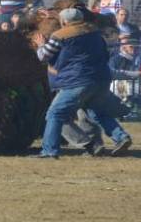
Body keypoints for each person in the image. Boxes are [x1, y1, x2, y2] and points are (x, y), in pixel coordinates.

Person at [35, 8, 131, 158]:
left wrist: (41, 45)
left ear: (64, 21)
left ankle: (49, 150)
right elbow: (105, 54)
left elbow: (43, 56)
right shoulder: (94, 32)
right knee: (97, 112)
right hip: (101, 78)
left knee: (55, 113)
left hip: (77, 81)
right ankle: (121, 137)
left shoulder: (60, 35)